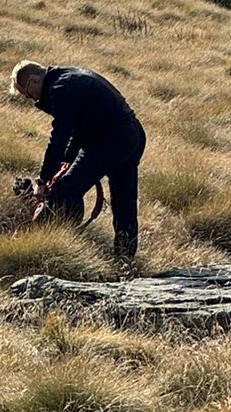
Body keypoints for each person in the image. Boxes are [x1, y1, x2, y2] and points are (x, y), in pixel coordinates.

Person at [11, 60, 146, 261]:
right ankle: (125, 260)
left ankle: (43, 247)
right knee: (124, 203)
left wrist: (43, 181)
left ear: (32, 82)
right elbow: (78, 133)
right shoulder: (71, 78)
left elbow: (59, 138)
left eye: (28, 94)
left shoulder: (61, 89)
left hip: (109, 140)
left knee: (64, 192)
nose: (32, 99)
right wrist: (64, 165)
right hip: (132, 136)